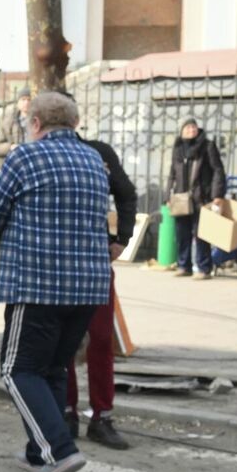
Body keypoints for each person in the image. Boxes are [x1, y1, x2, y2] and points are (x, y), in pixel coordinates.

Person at [0, 91, 111, 472]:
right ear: (72, 124)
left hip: (38, 283)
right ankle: (39, 452)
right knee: (53, 369)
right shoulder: (93, 160)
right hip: (89, 287)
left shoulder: (24, 157)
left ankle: (59, 450)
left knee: (17, 369)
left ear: (35, 123)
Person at [65, 117, 139, 451]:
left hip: (94, 259)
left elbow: (126, 193)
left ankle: (101, 416)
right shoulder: (37, 154)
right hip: (57, 263)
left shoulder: (97, 153)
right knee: (62, 342)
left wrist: (122, 237)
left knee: (100, 337)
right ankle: (66, 412)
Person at [165, 117, 227, 278]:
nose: (191, 130)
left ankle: (204, 268)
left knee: (201, 233)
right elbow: (172, 172)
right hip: (180, 197)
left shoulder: (207, 146)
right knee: (182, 233)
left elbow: (218, 171)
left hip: (202, 196)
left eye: (193, 127)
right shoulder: (178, 148)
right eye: (187, 128)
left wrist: (217, 195)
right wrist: (168, 194)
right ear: (181, 131)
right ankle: (183, 266)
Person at [0, 88, 32, 160]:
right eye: (23, 99)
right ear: (18, 102)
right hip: (15, 160)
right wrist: (11, 147)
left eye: (29, 100)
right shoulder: (9, 122)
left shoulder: (39, 121)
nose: (26, 103)